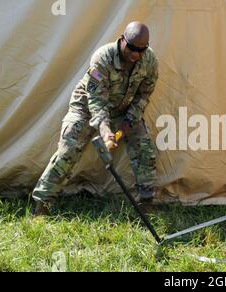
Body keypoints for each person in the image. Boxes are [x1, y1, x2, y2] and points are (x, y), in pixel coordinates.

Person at [32, 22, 159, 216]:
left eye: (141, 49)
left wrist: (127, 125)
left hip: (122, 110)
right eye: (132, 48)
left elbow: (143, 96)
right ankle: (43, 203)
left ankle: (146, 203)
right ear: (122, 40)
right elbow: (96, 102)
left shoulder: (149, 60)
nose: (136, 54)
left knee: (144, 147)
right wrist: (106, 132)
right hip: (86, 108)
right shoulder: (103, 58)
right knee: (69, 147)